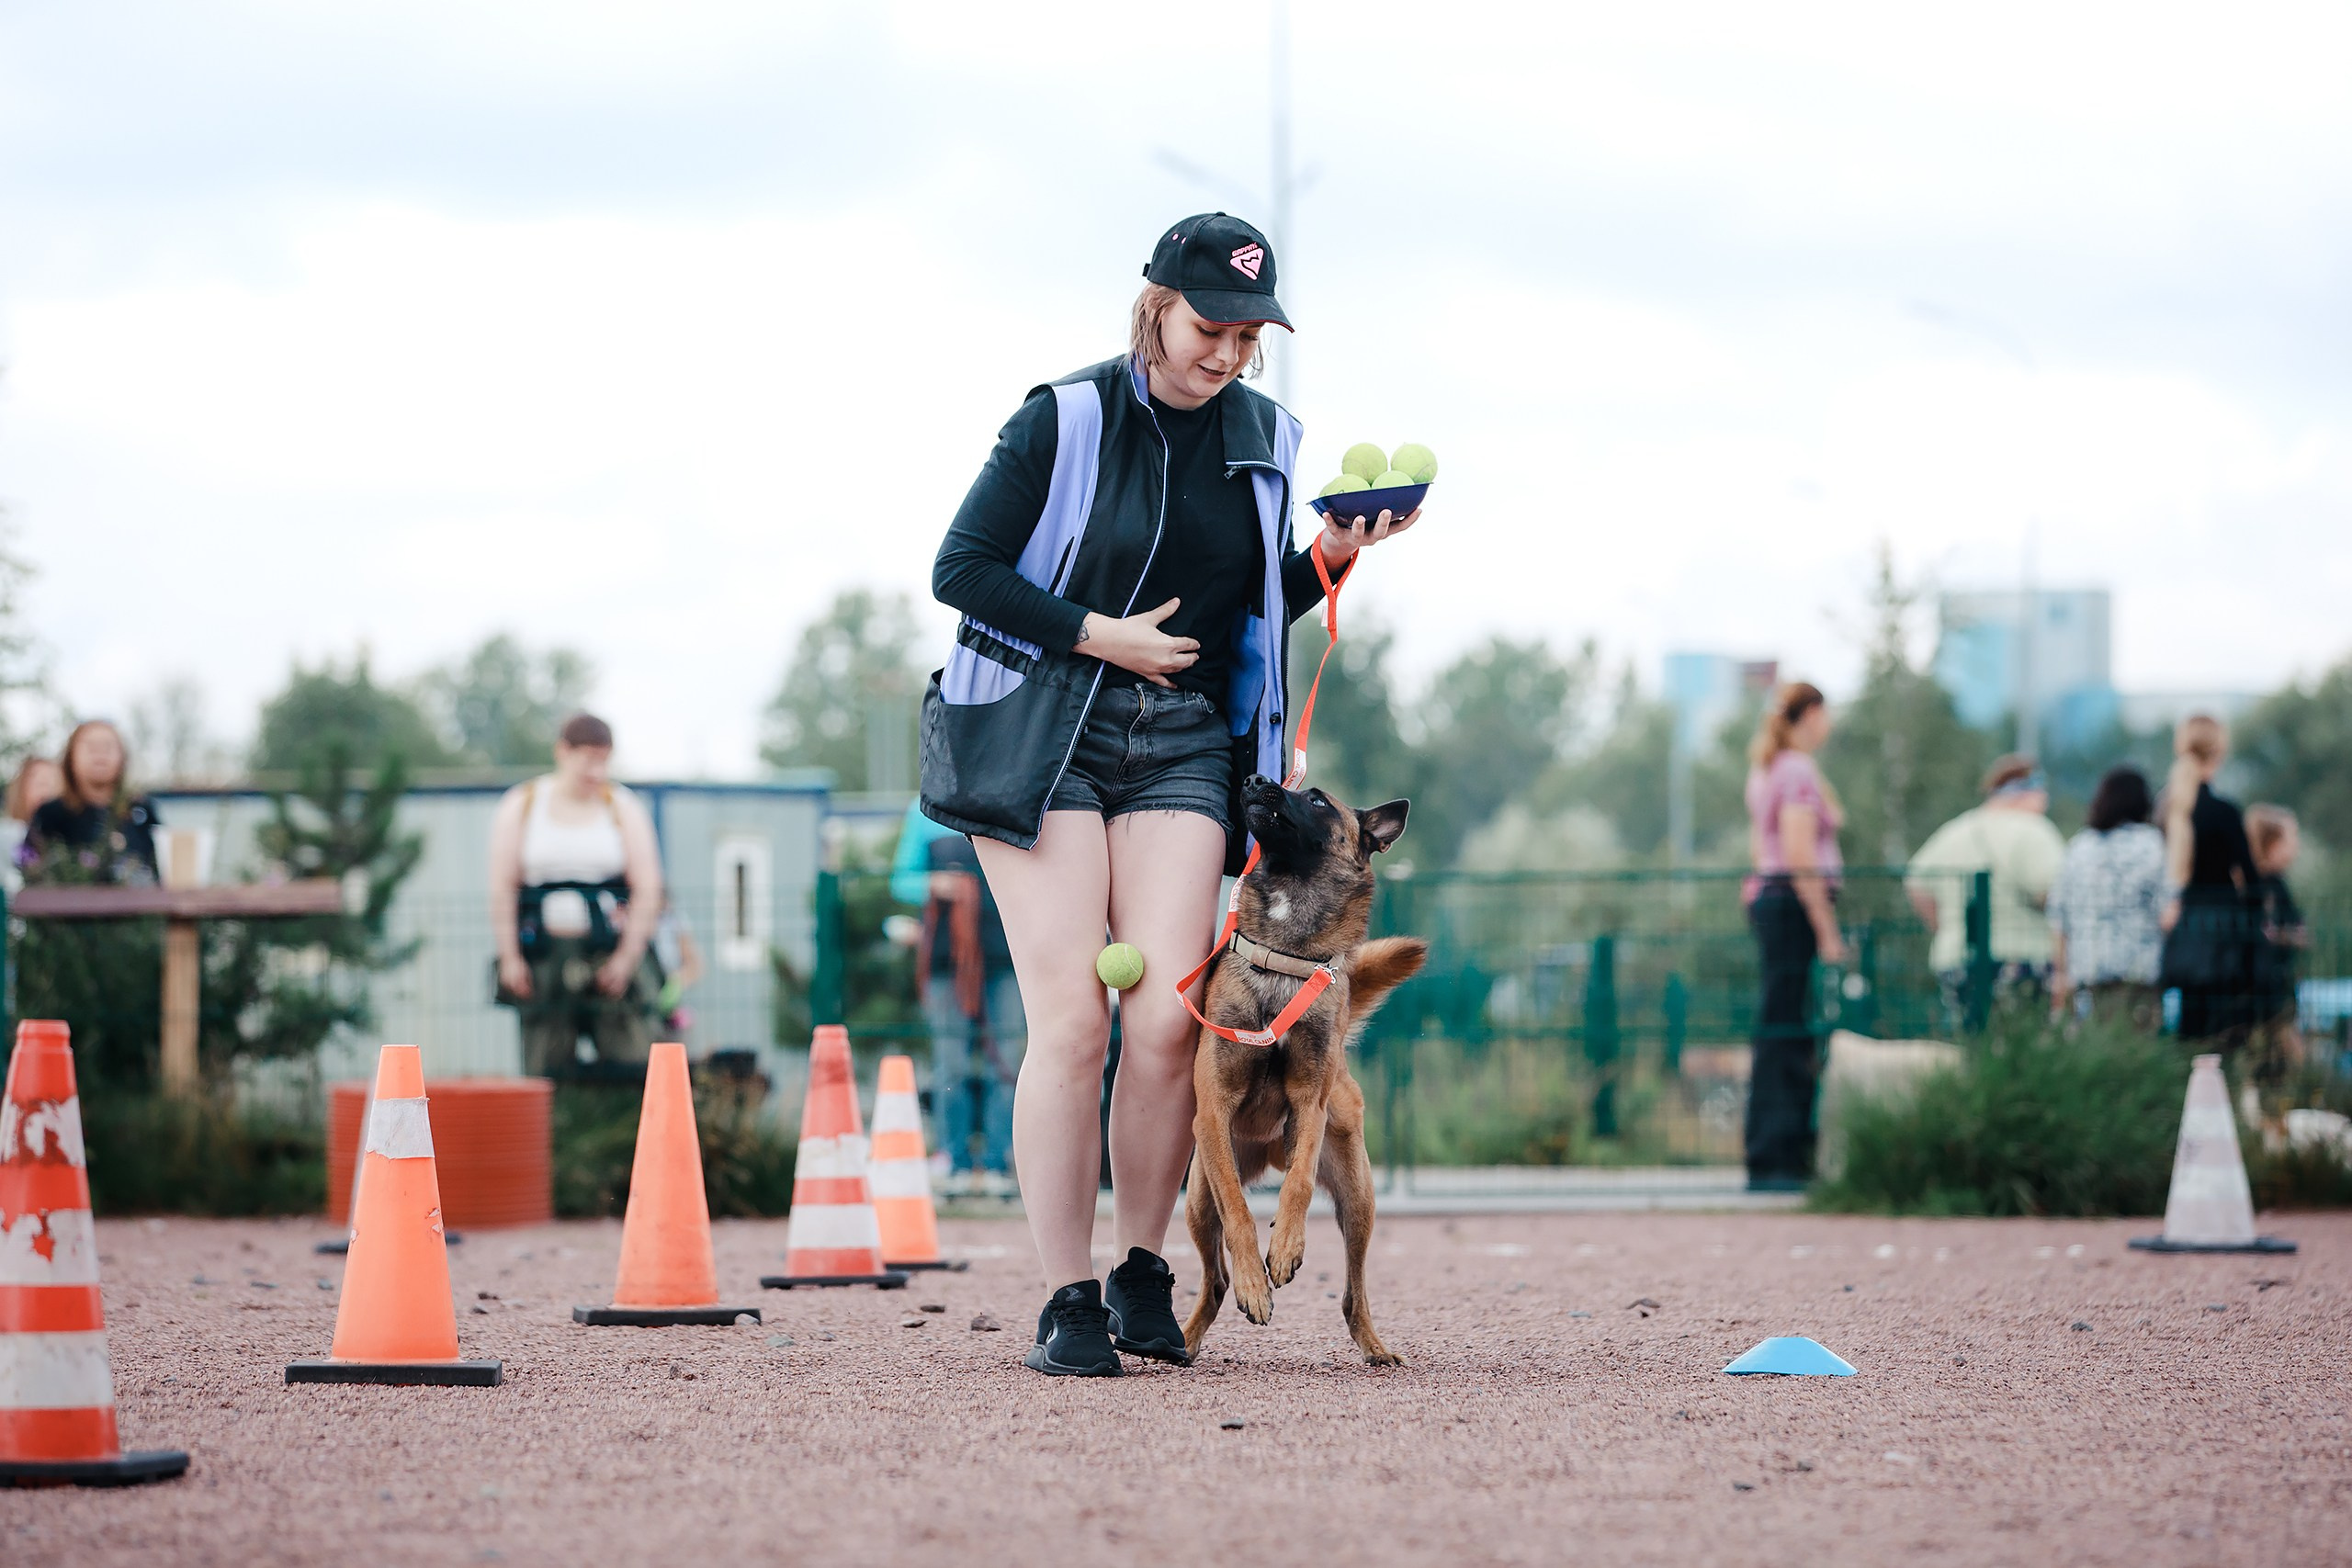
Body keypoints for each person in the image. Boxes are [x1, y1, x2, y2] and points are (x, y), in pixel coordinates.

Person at [919, 212, 1419, 1376]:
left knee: (1161, 1023)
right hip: (1042, 733)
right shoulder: (1064, 416)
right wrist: (1099, 636)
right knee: (1076, 1018)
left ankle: (1142, 1269)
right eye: (1212, 325)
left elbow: (1247, 611)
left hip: (1185, 743)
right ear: (1155, 304)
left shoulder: (1266, 435)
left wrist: (1332, 559)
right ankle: (1064, 1296)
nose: (1230, 352)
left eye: (1251, 334)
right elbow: (961, 570)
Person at [488, 712, 666, 1078]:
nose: (596, 773)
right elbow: (502, 886)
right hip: (544, 957)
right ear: (562, 752)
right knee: (546, 1068)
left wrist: (626, 959)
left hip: (606, 952)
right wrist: (510, 957)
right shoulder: (522, 804)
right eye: (588, 759)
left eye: (604, 761)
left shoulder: (623, 807)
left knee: (630, 1062)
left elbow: (648, 888)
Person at [1740, 682, 1847, 1193]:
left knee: (1777, 1025)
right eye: (1825, 714)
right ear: (1809, 714)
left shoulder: (1769, 768)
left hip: (1772, 900)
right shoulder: (1797, 771)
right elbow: (1800, 853)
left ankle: (1771, 1152)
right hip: (1793, 904)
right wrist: (1826, 927)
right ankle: (1780, 1157)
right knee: (1787, 1029)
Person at [890, 799, 1024, 1189]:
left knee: (1008, 1062)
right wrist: (935, 884)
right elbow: (899, 879)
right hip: (947, 963)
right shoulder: (920, 816)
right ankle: (956, 1160)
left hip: (1006, 960)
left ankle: (1000, 1162)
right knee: (951, 1063)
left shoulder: (1008, 805)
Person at [1905, 754, 2068, 1018]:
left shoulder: (1954, 831)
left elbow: (1916, 882)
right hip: (2023, 958)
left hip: (1956, 959)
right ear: (2032, 791)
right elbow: (2056, 893)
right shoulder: (2034, 831)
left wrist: (1946, 927)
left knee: (1974, 1043)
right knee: (2021, 1047)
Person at [2157, 714, 2260, 1043]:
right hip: (2224, 937)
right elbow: (2252, 879)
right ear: (2219, 751)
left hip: (2182, 933)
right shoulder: (2224, 811)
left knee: (2189, 1029)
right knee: (2225, 1033)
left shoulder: (2165, 811)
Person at [2046, 764, 2167, 1029]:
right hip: (2139, 973)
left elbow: (2058, 917)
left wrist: (2061, 974)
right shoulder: (2152, 844)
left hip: (2088, 971)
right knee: (2138, 1053)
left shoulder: (2079, 847)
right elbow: (2166, 909)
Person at [26, 720, 162, 885]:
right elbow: (30, 874)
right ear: (71, 757)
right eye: (90, 747)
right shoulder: (51, 815)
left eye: (108, 746)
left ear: (123, 757)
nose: (100, 754)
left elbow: (162, 871)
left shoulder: (142, 811)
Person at [2245, 803, 2307, 1099]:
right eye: (2291, 839)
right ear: (2272, 843)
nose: (2296, 847)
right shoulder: (2268, 887)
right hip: (2270, 989)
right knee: (2283, 1058)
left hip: (2267, 986)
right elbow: (2281, 931)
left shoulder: (2259, 885)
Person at [3, 755, 63, 891]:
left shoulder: (69, 842)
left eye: (56, 785)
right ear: (21, 790)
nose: (48, 792)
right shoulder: (7, 835)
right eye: (41, 784)